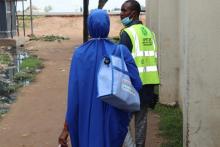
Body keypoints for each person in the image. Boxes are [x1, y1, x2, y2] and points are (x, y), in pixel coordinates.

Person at [58, 9, 142, 147]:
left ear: (89, 28)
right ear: (107, 27)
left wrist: (66, 128)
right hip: (114, 119)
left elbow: (74, 97)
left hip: (86, 121)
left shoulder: (79, 54)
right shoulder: (120, 51)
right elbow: (137, 84)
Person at [119, 0, 160, 147]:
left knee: (122, 120)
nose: (121, 14)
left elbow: (121, 62)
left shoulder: (127, 33)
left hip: (131, 84)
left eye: (124, 11)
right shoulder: (150, 33)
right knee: (141, 121)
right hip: (148, 85)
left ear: (134, 13)